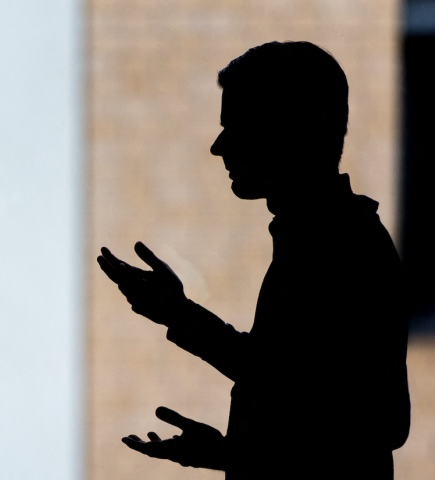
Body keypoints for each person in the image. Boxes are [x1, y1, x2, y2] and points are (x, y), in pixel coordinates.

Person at [97, 41, 411, 480]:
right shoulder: (328, 239)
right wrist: (232, 454)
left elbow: (376, 421)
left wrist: (238, 454)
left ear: (286, 132)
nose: (218, 146)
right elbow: (292, 381)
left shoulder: (340, 247)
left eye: (236, 126)